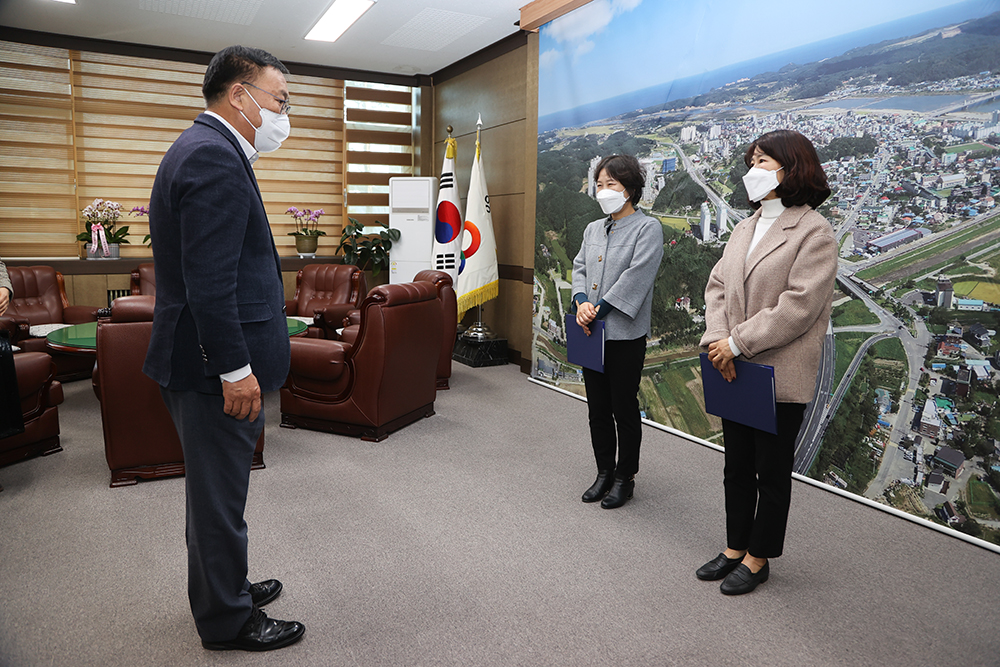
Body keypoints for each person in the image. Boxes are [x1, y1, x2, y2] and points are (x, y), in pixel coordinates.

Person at [144, 45, 304, 651]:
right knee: (217, 503)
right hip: (213, 369)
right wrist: (236, 370)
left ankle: (227, 587)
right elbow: (212, 285)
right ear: (240, 95)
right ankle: (228, 622)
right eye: (279, 101)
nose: (284, 115)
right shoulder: (213, 157)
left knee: (218, 493)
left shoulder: (206, 149)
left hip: (198, 359)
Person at [696, 129, 837, 595]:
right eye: (752, 159)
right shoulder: (744, 225)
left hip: (776, 370)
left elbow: (799, 306)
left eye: (762, 161)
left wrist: (736, 343)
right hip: (733, 364)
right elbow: (716, 286)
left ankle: (759, 558)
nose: (752, 170)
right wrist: (718, 340)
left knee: (770, 471)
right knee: (735, 463)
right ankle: (735, 546)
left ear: (790, 169)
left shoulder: (814, 231)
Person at [571, 154, 664, 509]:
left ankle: (625, 477)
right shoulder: (593, 228)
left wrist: (599, 309)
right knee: (596, 408)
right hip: (590, 330)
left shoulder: (647, 228)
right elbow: (580, 268)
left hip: (625, 334)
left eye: (611, 184)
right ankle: (603, 473)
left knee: (623, 407)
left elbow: (636, 277)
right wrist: (581, 302)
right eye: (599, 184)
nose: (604, 191)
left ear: (630, 189)